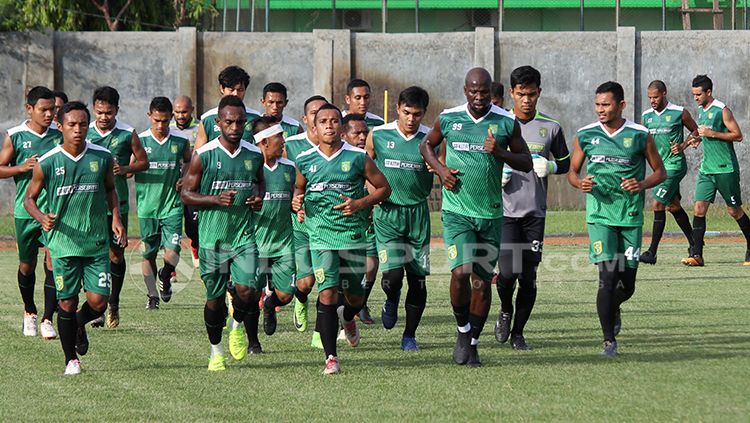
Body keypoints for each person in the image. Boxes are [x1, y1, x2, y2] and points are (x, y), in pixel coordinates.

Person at [420, 67, 533, 367]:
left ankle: (472, 342)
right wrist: (441, 171)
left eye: (484, 92)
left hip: (491, 215)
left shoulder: (506, 122)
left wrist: (500, 153)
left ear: (490, 92)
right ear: (465, 90)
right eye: (474, 91)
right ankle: (461, 330)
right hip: (457, 212)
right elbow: (426, 145)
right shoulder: (448, 117)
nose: (479, 97)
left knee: (482, 284)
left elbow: (526, 162)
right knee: (460, 272)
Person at [24, 101, 126, 375]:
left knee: (98, 302)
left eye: (82, 124)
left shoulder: (102, 157)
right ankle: (71, 360)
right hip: (63, 244)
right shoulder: (47, 163)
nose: (78, 130)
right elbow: (29, 200)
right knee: (66, 302)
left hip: (95, 243)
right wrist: (41, 217)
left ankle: (79, 323)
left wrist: (116, 218)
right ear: (60, 127)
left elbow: (110, 191)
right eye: (72, 125)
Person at [567, 81, 666, 357]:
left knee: (627, 284)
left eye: (606, 104)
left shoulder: (639, 135)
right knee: (607, 277)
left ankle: (614, 306)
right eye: (597, 104)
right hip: (599, 215)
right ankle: (608, 339)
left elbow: (660, 172)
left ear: (621, 105)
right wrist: (580, 183)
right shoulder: (585, 135)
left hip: (630, 216)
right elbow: (573, 172)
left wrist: (642, 184)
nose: (600, 110)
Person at [292, 103, 391, 374]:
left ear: (341, 127)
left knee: (355, 298)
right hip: (321, 235)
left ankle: (347, 317)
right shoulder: (304, 160)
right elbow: (298, 190)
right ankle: (331, 358)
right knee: (325, 293)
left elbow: (384, 188)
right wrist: (296, 202)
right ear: (314, 127)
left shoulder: (358, 158)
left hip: (352, 235)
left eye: (334, 121)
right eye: (323, 121)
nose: (328, 125)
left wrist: (360, 203)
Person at [181, 95, 265, 371]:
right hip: (213, 238)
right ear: (218, 123)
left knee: (250, 290)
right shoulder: (203, 156)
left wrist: (257, 198)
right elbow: (186, 194)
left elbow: (259, 184)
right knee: (215, 300)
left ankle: (237, 324)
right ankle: (216, 351)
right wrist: (215, 200)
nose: (235, 126)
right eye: (229, 121)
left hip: (244, 235)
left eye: (240, 121)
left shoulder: (254, 154)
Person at [494, 66, 570, 350]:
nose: (527, 100)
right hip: (505, 213)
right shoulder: (499, 124)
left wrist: (550, 165)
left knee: (528, 278)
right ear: (512, 93)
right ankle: (504, 310)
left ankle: (518, 332)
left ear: (540, 93)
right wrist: (498, 171)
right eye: (521, 94)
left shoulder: (551, 126)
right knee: (508, 274)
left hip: (535, 213)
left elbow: (565, 162)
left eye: (532, 94)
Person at [366, 86, 432, 351]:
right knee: (392, 276)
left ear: (424, 113)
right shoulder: (379, 135)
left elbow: (443, 166)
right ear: (398, 109)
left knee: (417, 279)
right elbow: (364, 165)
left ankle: (409, 335)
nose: (411, 119)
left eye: (417, 114)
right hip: (388, 214)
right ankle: (391, 298)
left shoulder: (430, 138)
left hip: (417, 214)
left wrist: (437, 168)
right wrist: (371, 194)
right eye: (406, 112)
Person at [0, 86, 62, 339]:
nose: (49, 114)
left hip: (53, 212)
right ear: (30, 109)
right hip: (25, 212)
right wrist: (21, 168)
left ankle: (48, 318)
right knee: (27, 265)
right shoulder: (15, 136)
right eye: (44, 109)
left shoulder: (60, 135)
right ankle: (29, 311)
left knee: (53, 262)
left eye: (52, 109)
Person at [86, 86, 148, 324]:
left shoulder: (127, 134)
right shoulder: (84, 133)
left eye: (109, 113)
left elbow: (144, 162)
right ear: (94, 109)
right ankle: (96, 308)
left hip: (117, 205)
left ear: (116, 111)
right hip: (89, 206)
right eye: (100, 112)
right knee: (91, 255)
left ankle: (113, 302)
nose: (104, 117)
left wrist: (125, 169)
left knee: (115, 256)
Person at [682, 74, 749, 267]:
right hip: (707, 169)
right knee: (699, 209)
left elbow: (738, 136)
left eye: (698, 94)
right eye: (693, 94)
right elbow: (704, 134)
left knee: (734, 211)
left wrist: (712, 134)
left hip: (725, 168)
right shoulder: (702, 111)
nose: (695, 98)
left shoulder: (722, 110)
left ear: (708, 92)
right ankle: (697, 255)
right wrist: (697, 140)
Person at [135, 97, 191, 312]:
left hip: (172, 207)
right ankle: (152, 295)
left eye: (165, 121)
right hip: (147, 208)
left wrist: (185, 177)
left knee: (172, 252)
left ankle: (165, 274)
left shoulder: (179, 140)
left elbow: (188, 161)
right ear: (149, 116)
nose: (161, 126)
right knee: (148, 255)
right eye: (157, 120)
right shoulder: (139, 141)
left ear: (172, 118)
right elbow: (132, 167)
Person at [250, 116, 298, 350]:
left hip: (283, 244)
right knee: (248, 297)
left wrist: (297, 204)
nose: (283, 140)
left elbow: (294, 198)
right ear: (263, 142)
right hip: (254, 244)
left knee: (287, 295)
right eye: (279, 136)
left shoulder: (289, 168)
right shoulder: (249, 168)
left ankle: (270, 304)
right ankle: (253, 341)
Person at [639, 80, 699, 264]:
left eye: (655, 97)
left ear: (664, 93)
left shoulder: (679, 112)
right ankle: (695, 243)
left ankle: (652, 253)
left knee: (657, 204)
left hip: (674, 167)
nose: (652, 101)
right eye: (649, 98)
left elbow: (697, 131)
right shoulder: (647, 116)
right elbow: (643, 141)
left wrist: (683, 145)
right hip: (659, 169)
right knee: (673, 206)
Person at [285, 95, 328, 345]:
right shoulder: (291, 145)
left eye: (323, 113)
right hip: (301, 226)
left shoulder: (339, 146)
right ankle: (300, 301)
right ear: (306, 118)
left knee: (328, 283)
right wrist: (294, 200)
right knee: (306, 282)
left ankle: (320, 332)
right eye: (313, 112)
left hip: (328, 227)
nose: (318, 117)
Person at [341, 113, 377, 324]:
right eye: (357, 133)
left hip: (368, 223)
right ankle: (345, 316)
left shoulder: (369, 158)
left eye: (365, 132)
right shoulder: (340, 159)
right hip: (343, 228)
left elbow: (380, 188)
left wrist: (370, 202)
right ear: (344, 135)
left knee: (370, 268)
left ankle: (360, 305)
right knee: (340, 279)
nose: (363, 136)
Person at [194, 65, 260, 149]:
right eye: (231, 90)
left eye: (240, 90)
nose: (236, 94)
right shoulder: (208, 119)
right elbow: (198, 153)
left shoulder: (255, 118)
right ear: (222, 88)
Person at [171, 95, 201, 268]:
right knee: (170, 226)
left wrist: (188, 177)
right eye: (177, 112)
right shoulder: (168, 128)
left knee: (192, 225)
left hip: (193, 182)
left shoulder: (200, 128)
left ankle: (195, 245)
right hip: (172, 184)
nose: (181, 115)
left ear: (192, 110)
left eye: (184, 112)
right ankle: (171, 267)